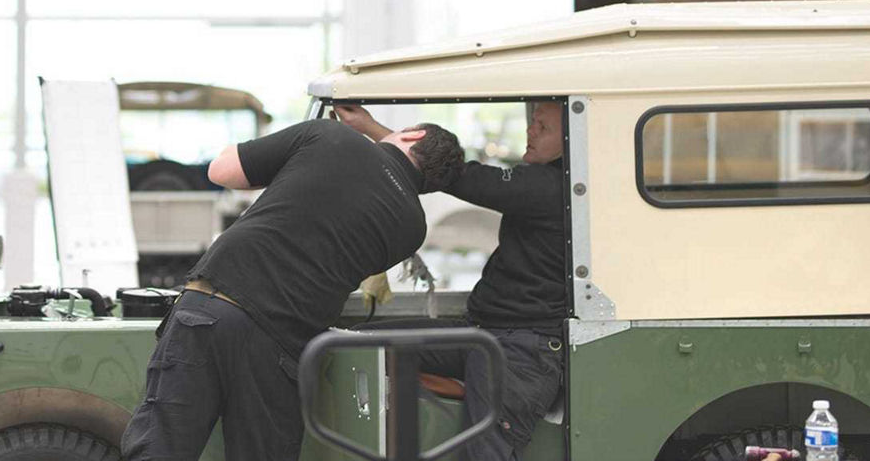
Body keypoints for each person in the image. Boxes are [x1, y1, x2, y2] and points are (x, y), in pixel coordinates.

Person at [121, 117, 466, 461]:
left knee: (160, 449)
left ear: (414, 133)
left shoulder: (329, 135)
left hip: (213, 306)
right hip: (281, 344)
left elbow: (220, 171)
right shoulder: (412, 228)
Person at [334, 101, 567, 461]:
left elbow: (462, 177)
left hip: (521, 349)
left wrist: (372, 128)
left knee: (485, 454)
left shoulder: (552, 188)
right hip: (484, 332)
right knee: (363, 345)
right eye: (532, 122)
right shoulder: (544, 185)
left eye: (543, 127)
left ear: (570, 140)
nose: (530, 131)